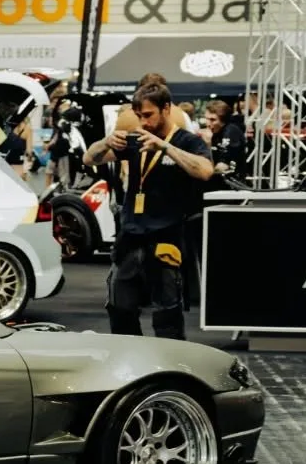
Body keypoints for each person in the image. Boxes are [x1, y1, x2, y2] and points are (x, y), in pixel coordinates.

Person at [83, 79, 213, 340]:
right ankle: (130, 360)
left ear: (166, 108)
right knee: (120, 308)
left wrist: (164, 146)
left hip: (167, 236)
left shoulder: (186, 141)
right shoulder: (137, 139)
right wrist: (108, 141)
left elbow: (205, 170)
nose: (143, 122)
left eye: (149, 115)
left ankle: (170, 367)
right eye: (139, 116)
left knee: (167, 313)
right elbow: (90, 158)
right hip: (131, 236)